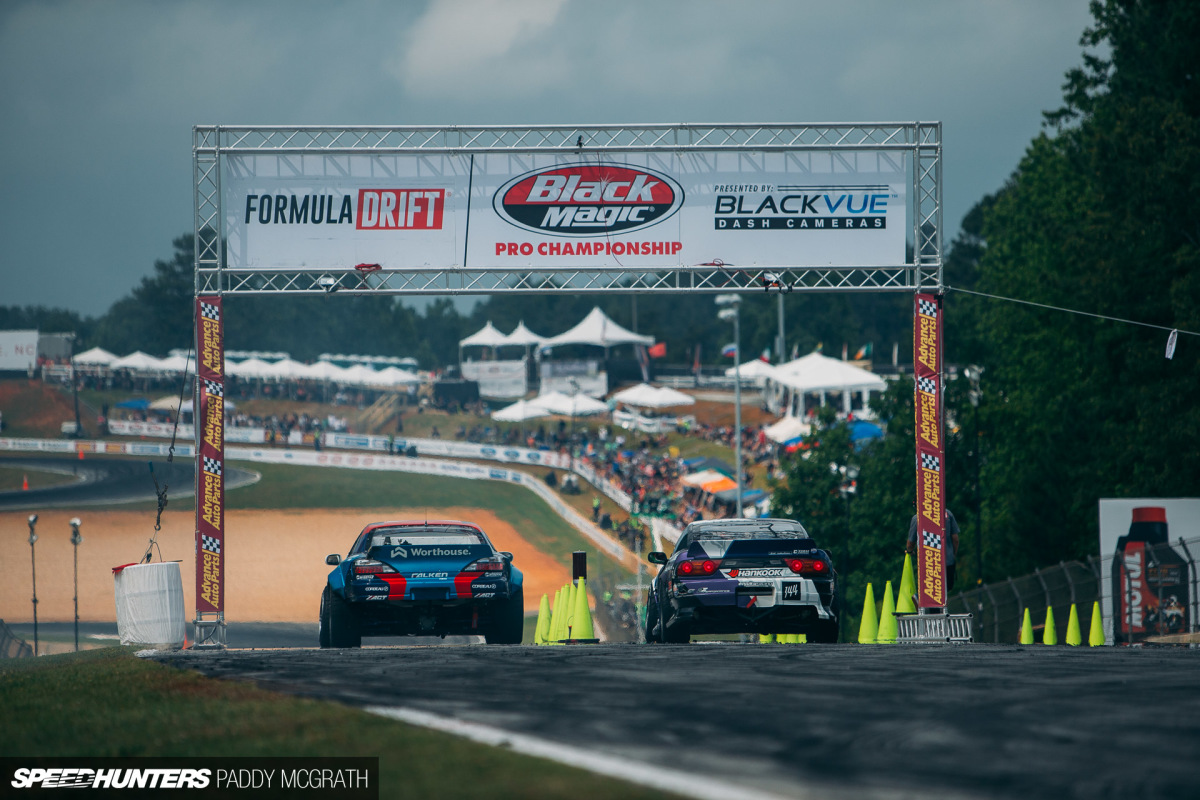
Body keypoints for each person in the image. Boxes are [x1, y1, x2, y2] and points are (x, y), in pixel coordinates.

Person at [907, 507, 960, 591]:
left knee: (929, 590)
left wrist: (909, 551)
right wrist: (953, 554)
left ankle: (919, 598)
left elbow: (910, 543)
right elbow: (955, 539)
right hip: (948, 561)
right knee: (946, 588)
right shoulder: (947, 514)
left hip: (928, 563)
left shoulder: (917, 517)